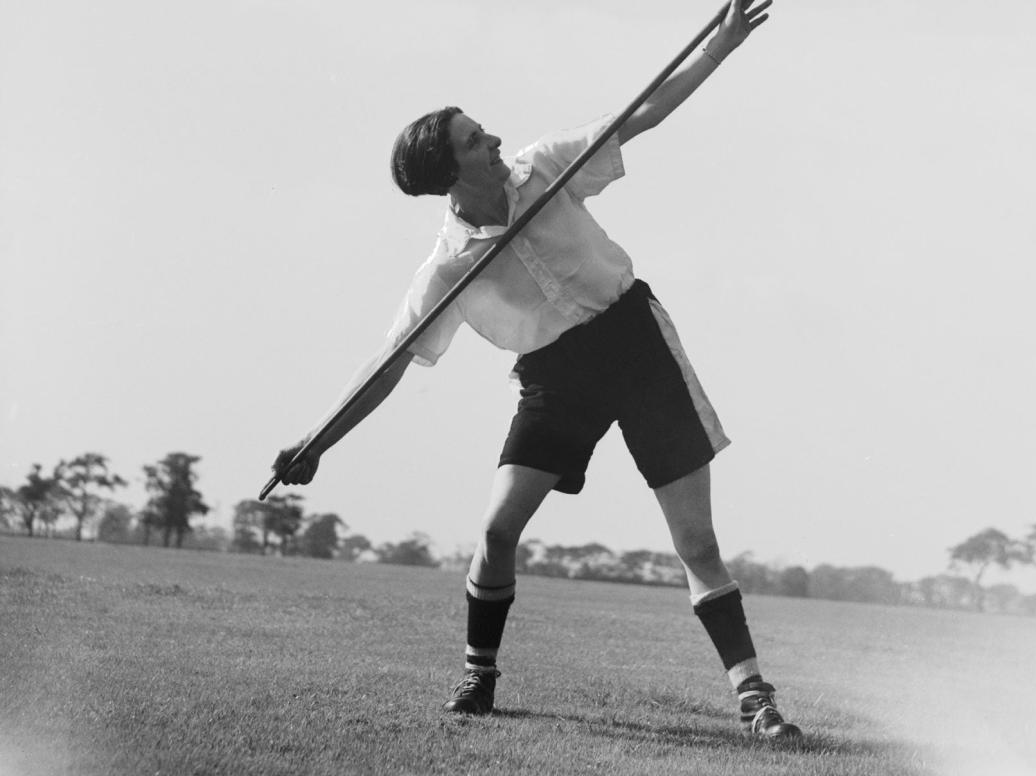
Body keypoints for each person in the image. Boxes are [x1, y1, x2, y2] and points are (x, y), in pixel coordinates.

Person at [273, 0, 799, 740]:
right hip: (557, 378)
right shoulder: (449, 268)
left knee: (697, 544)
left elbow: (639, 113)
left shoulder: (547, 163)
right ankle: (478, 677)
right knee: (496, 530)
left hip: (635, 344)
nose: (492, 139)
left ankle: (754, 698)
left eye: (482, 130)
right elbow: (389, 364)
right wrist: (317, 442)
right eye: (473, 141)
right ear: (448, 173)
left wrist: (720, 48)